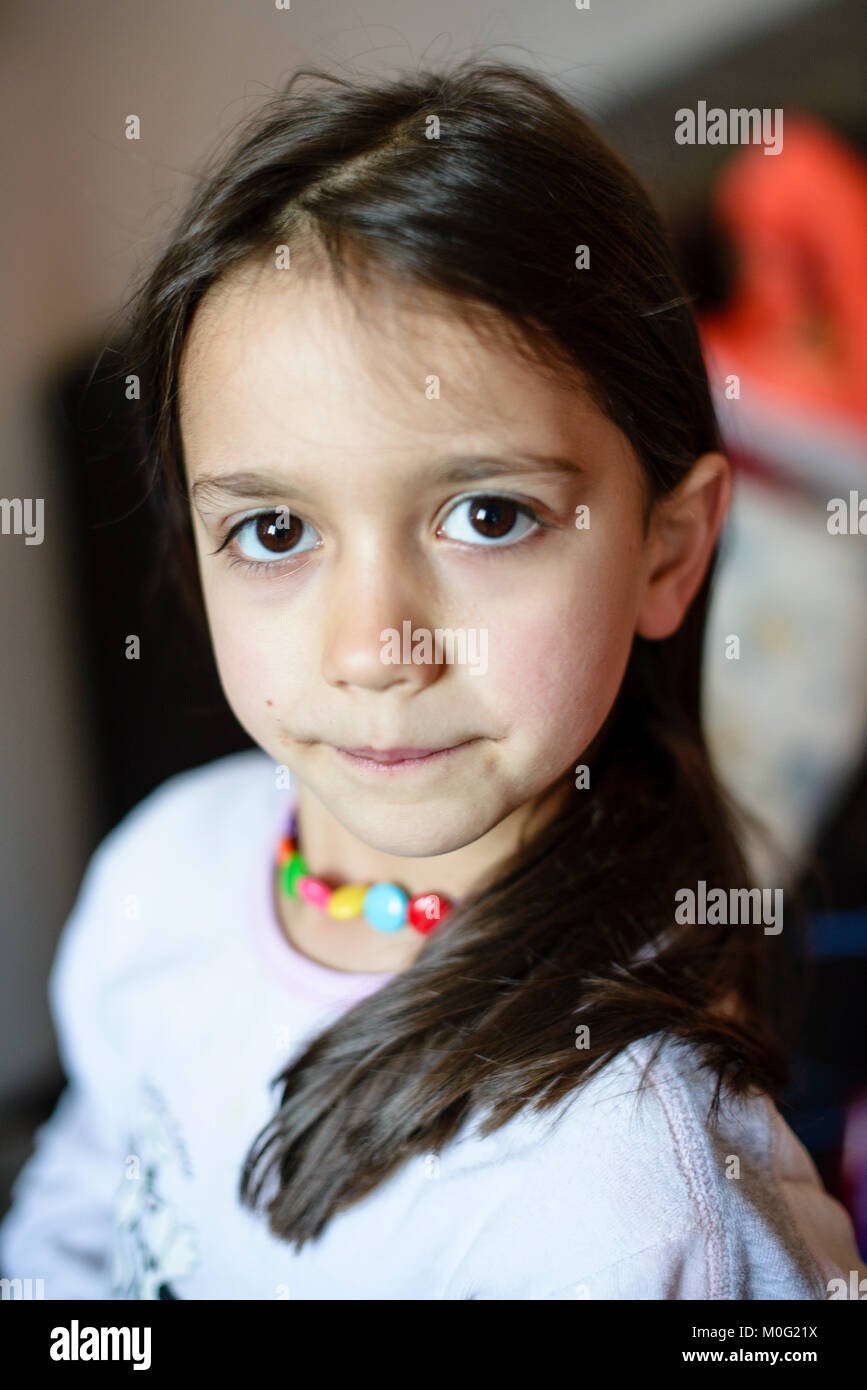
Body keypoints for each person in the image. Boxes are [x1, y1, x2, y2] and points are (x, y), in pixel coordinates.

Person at [2, 59, 865, 1301]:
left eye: (488, 514)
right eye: (277, 533)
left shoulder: (628, 1194)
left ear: (666, 552)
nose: (372, 649)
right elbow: (81, 1215)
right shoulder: (160, 878)